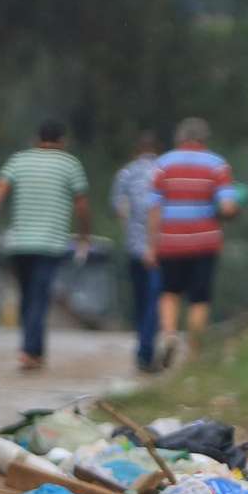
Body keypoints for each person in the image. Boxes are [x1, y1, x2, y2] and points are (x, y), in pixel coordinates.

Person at [0, 119, 90, 370]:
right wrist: (83, 236)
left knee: (28, 296)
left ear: (37, 139)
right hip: (50, 244)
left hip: (20, 243)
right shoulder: (70, 164)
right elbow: (82, 206)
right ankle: (30, 351)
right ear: (63, 141)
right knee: (39, 297)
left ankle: (33, 351)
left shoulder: (18, 161)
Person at [146, 117, 240, 367]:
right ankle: (195, 350)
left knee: (169, 292)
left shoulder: (163, 164)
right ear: (204, 139)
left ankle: (169, 334)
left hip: (170, 241)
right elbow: (228, 206)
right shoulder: (217, 165)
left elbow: (154, 209)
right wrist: (232, 212)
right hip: (204, 243)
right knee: (199, 298)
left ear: (179, 138)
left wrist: (152, 245)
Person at [111, 132, 162, 372]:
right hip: (160, 246)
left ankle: (143, 344)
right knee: (155, 298)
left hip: (135, 246)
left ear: (136, 150)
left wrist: (130, 233)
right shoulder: (164, 170)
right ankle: (146, 350)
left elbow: (120, 210)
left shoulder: (126, 173)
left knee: (141, 299)